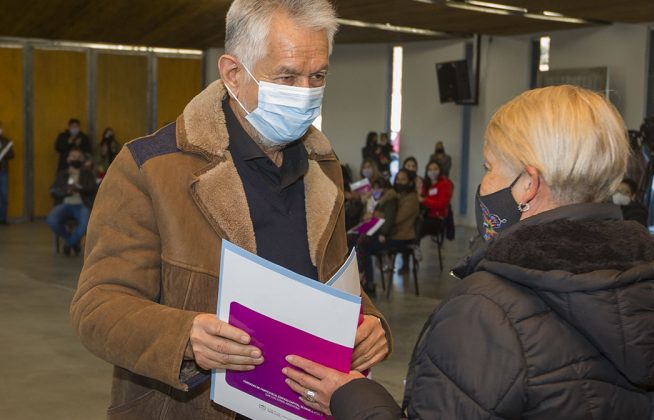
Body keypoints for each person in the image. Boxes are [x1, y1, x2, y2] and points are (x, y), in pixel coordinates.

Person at [280, 85, 654, 419]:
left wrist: (353, 397)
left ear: (527, 184)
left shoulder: (487, 309)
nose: (483, 184)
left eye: (489, 168)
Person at [70, 1, 390, 419]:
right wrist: (184, 336)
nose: (307, 91)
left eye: (318, 76)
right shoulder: (150, 167)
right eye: (287, 76)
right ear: (234, 74)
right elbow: (97, 306)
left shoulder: (324, 168)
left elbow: (335, 283)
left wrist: (370, 323)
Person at [359, 170, 419, 294]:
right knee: (360, 241)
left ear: (410, 182)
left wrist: (376, 214)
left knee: (365, 245)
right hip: (391, 234)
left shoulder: (412, 199)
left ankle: (369, 284)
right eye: (398, 179)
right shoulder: (395, 195)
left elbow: (395, 219)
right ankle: (365, 282)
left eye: (403, 179)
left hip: (402, 237)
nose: (400, 182)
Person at [47, 148, 97, 256]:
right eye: (73, 156)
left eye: (79, 157)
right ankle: (73, 242)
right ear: (68, 159)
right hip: (65, 204)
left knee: (85, 224)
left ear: (83, 159)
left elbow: (93, 189)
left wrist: (79, 188)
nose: (76, 159)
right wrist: (66, 191)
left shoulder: (87, 173)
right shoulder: (62, 174)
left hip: (82, 205)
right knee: (52, 220)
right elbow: (53, 190)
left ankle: (69, 244)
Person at [419, 160, 453, 239]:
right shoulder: (426, 184)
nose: (432, 172)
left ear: (440, 170)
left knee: (419, 226)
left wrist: (425, 201)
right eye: (430, 169)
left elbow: (442, 204)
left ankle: (414, 246)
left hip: (437, 219)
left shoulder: (445, 184)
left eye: (435, 169)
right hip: (425, 215)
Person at [0, 121, 14, 225]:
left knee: (4, 195)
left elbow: (12, 155)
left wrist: (4, 154)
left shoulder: (6, 141)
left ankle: (3, 218)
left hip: (3, 171)